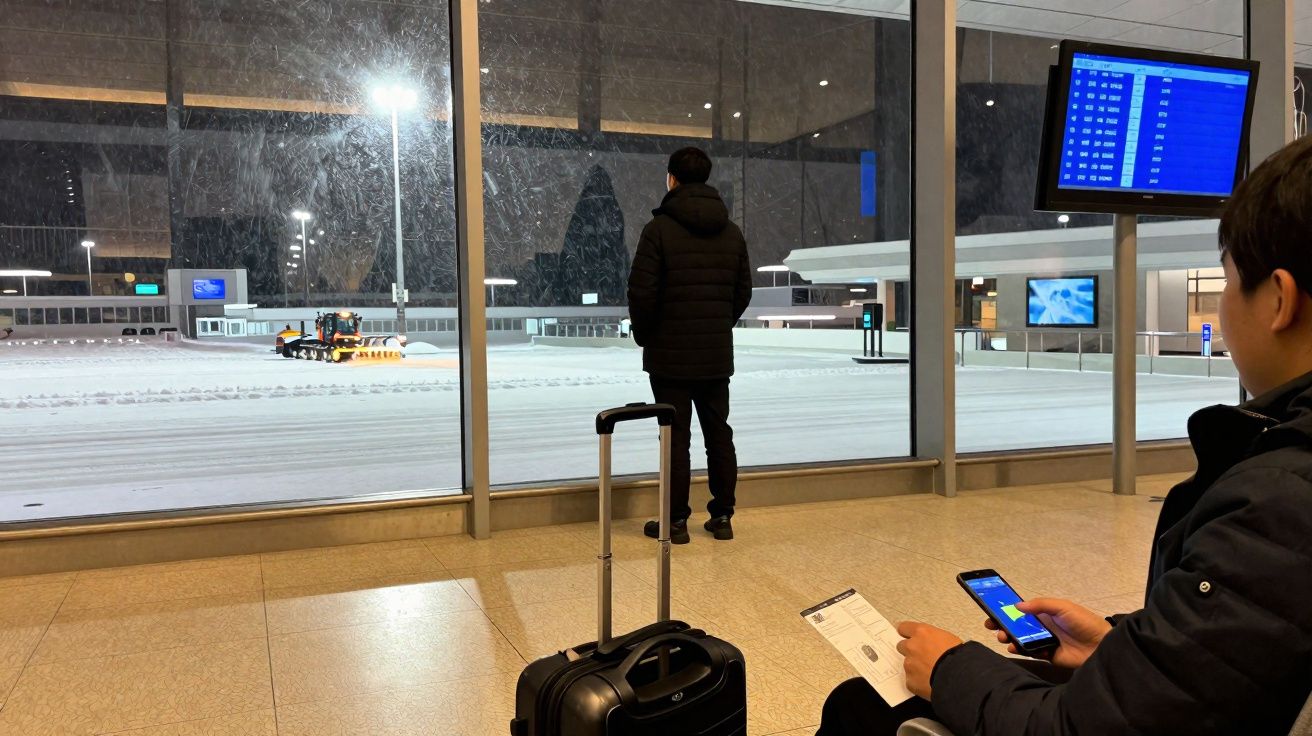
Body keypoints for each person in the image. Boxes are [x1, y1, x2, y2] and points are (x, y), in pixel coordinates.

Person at [819, 135, 1312, 734]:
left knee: (861, 706)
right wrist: (1117, 649)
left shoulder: (1279, 505)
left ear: (1279, 300)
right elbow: (1236, 659)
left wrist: (951, 667)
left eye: (1229, 280)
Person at [627, 146, 752, 544]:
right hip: (715, 355)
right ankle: (723, 517)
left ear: (672, 179)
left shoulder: (658, 230)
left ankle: (675, 521)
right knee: (719, 434)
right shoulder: (731, 232)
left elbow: (641, 292)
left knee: (674, 437)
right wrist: (719, 323)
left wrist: (647, 335)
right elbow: (742, 291)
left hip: (669, 358)